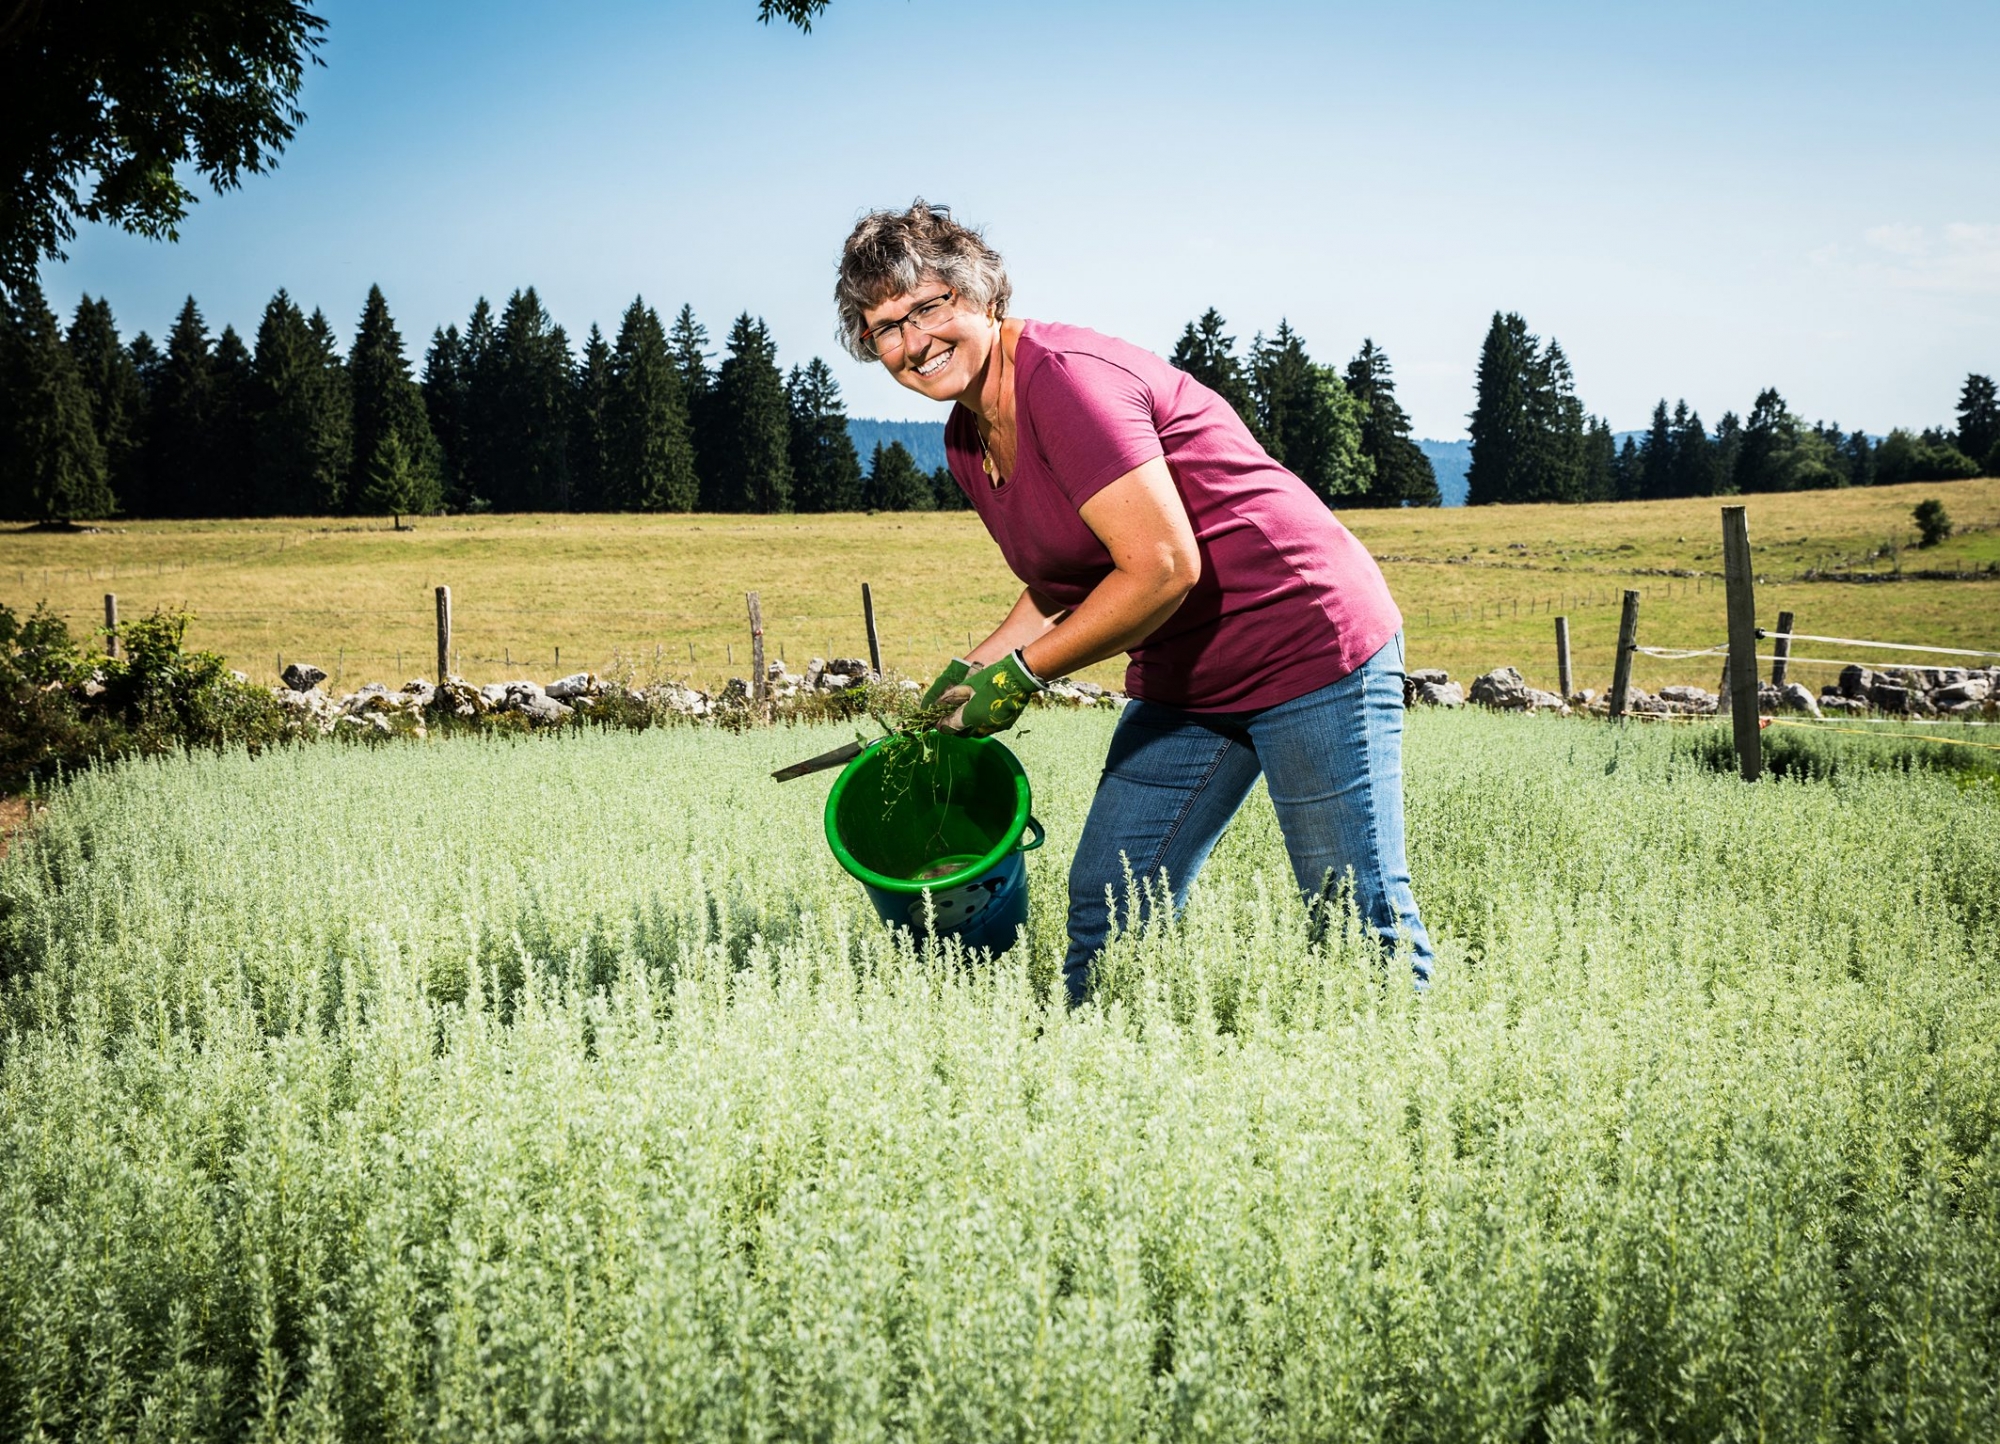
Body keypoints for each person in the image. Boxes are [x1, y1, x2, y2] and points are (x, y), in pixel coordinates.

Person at [835, 200, 1432, 1005]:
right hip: (1190, 673)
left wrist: (1014, 680)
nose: (912, 343)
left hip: (1305, 643)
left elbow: (1160, 569)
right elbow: (1060, 582)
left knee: (1350, 907)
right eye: (884, 329)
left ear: (981, 296)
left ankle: (1402, 1095)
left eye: (929, 308)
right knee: (1113, 897)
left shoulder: (1066, 382)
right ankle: (1099, 1081)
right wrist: (963, 676)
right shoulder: (966, 437)